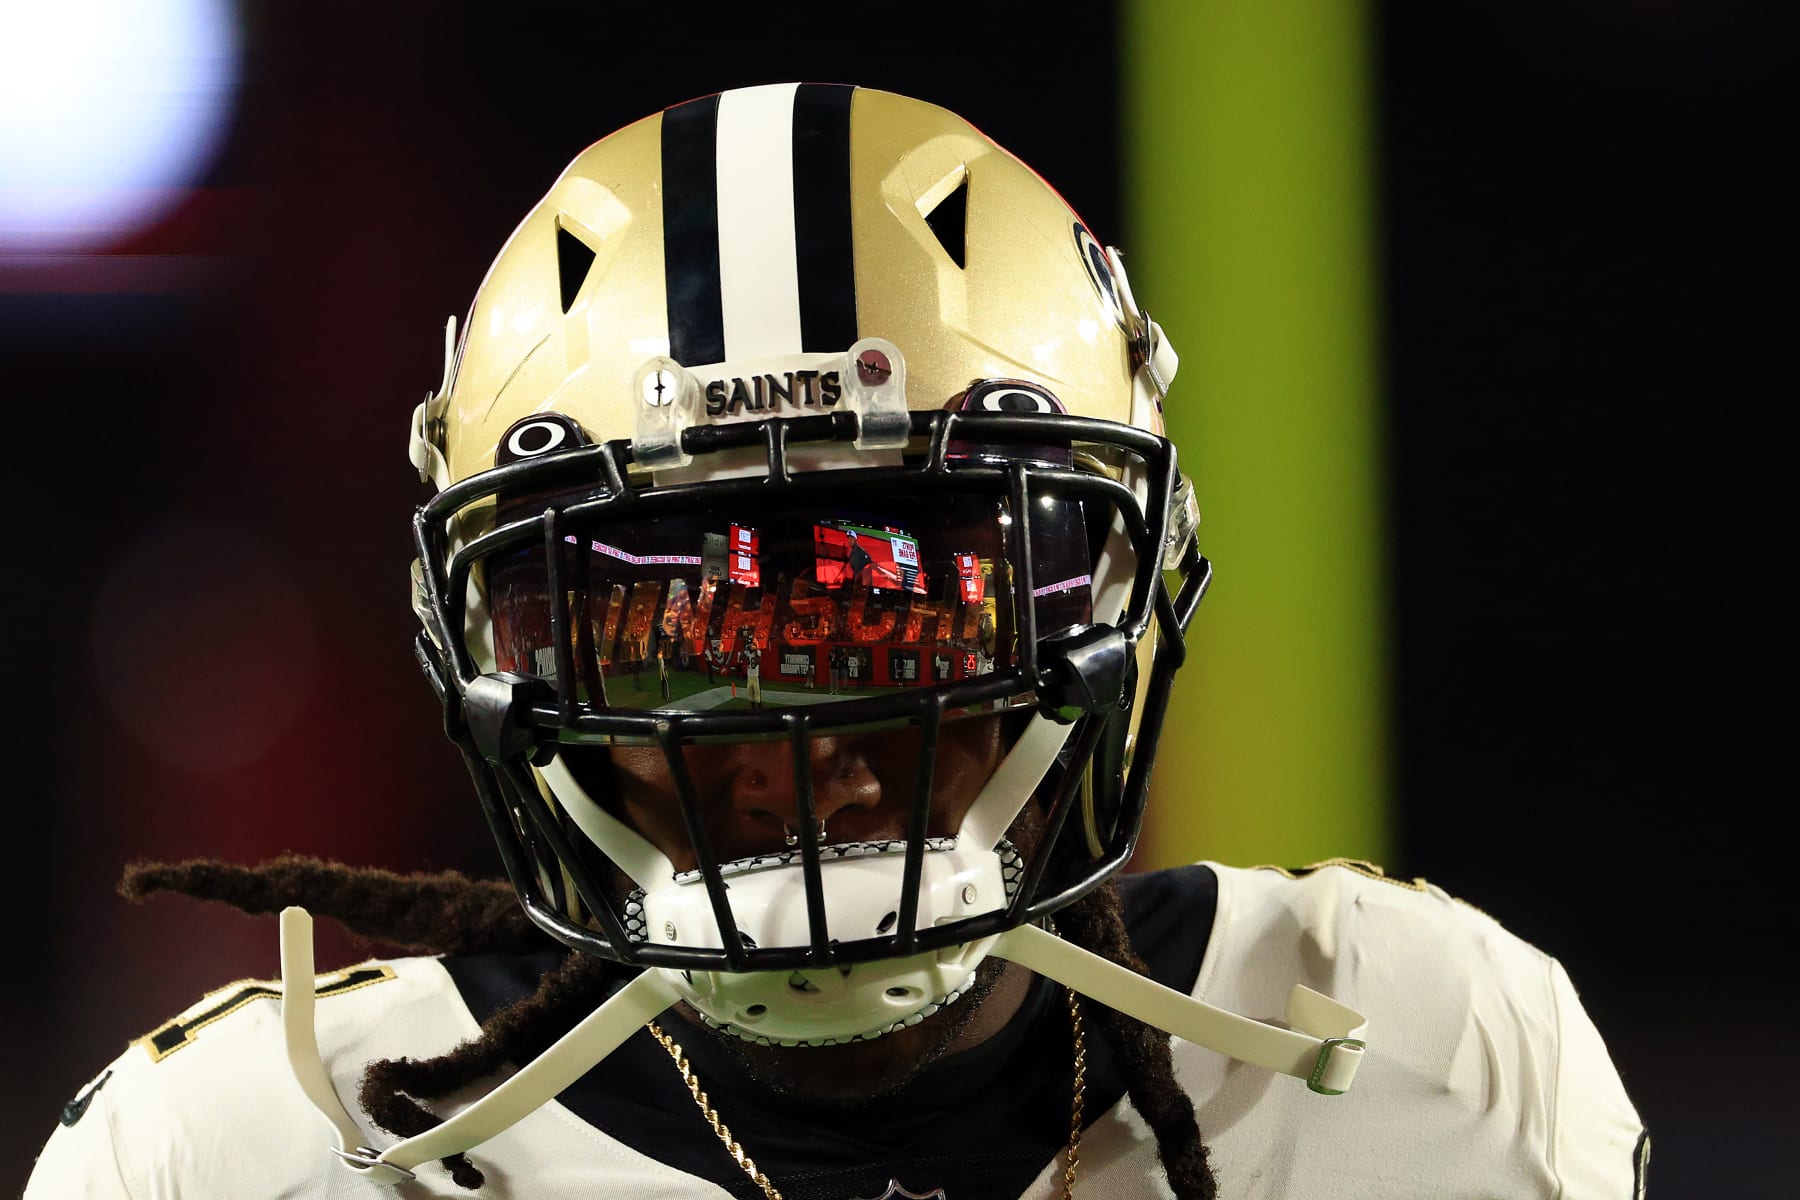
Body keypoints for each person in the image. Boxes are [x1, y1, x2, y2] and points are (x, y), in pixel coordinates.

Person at [25, 85, 1645, 1200]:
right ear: (502, 662)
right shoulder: (245, 1153)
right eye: (689, 629)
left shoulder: (1433, 1071)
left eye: (901, 603)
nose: (814, 741)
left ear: (1113, 592)